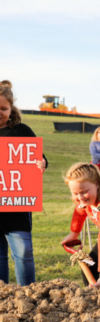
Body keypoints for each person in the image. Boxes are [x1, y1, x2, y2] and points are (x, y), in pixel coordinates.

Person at [0, 80, 47, 286]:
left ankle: (28, 295)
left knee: (23, 253)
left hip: (17, 206)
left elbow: (40, 158)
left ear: (11, 109)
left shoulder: (21, 130)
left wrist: (42, 163)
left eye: (3, 108)